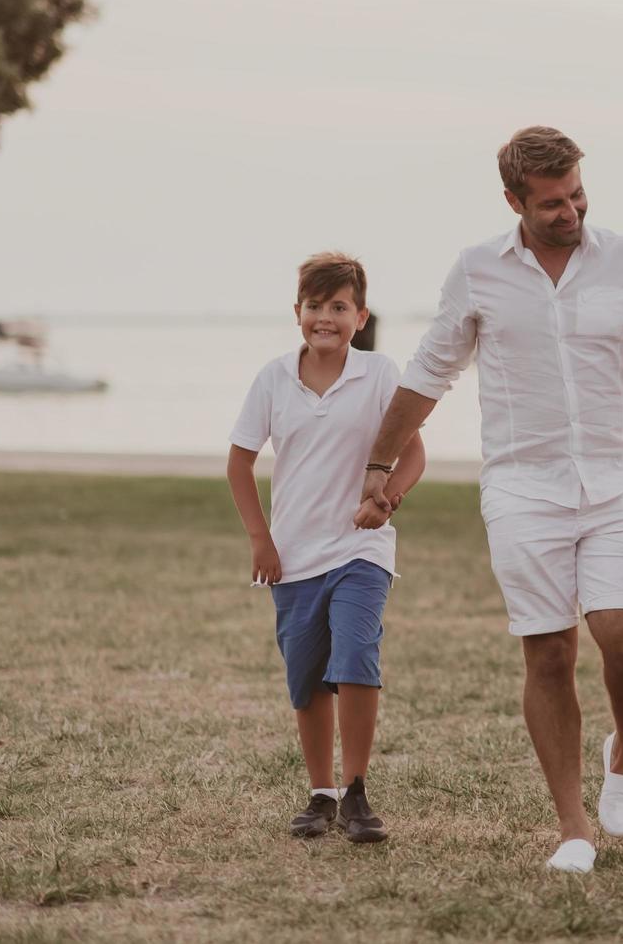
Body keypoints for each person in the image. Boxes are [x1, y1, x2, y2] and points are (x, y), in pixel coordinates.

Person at [357, 127, 623, 874]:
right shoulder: (477, 271)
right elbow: (428, 372)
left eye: (577, 194)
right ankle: (573, 829)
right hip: (521, 486)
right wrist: (379, 463)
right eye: (551, 203)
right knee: (547, 652)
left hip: (613, 482)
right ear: (514, 201)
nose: (570, 210)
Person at [226, 252, 426, 843]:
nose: (326, 317)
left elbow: (413, 453)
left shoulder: (381, 374)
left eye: (339, 307)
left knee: (357, 655)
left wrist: (387, 497)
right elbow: (239, 463)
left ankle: (358, 792)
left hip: (360, 551)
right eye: (315, 306)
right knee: (308, 677)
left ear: (360, 316)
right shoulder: (272, 379)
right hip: (291, 558)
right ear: (297, 313)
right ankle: (321, 794)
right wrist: (261, 540)